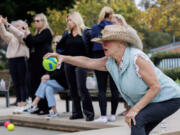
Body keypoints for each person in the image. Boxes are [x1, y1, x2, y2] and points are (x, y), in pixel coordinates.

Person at [44, 24, 180, 135]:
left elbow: (155, 87)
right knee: (139, 127)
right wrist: (64, 58)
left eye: (107, 41)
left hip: (170, 98)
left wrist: (134, 109)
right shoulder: (111, 62)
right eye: (102, 41)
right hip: (153, 101)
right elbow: (88, 62)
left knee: (137, 120)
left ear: (121, 42)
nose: (103, 44)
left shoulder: (137, 58)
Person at [56, 11, 94, 121]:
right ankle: (77, 112)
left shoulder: (86, 32)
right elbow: (60, 46)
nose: (68, 22)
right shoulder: (66, 33)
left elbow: (91, 48)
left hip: (82, 62)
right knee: (72, 89)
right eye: (67, 20)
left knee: (81, 87)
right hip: (69, 63)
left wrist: (90, 61)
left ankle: (89, 113)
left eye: (70, 20)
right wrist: (61, 56)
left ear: (76, 20)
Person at [25, 35, 68, 118]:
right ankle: (54, 111)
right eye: (54, 42)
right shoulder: (51, 56)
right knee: (48, 88)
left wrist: (49, 77)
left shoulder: (64, 56)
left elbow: (61, 73)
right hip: (54, 83)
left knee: (46, 82)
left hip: (64, 82)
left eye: (57, 42)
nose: (55, 44)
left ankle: (34, 103)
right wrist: (46, 75)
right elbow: (48, 71)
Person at [91, 7, 119, 123]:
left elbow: (92, 42)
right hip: (113, 57)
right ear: (111, 15)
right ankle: (112, 115)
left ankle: (103, 116)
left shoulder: (95, 28)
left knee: (102, 89)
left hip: (99, 59)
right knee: (114, 89)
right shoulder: (116, 28)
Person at [112, 14, 143, 116]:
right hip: (122, 63)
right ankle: (128, 108)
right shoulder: (116, 34)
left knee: (132, 86)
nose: (112, 25)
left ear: (120, 21)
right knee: (125, 86)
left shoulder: (129, 31)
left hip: (132, 62)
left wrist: (134, 58)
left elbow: (139, 45)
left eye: (113, 22)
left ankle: (134, 108)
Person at [23, 13, 53, 115]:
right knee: (33, 84)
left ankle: (44, 108)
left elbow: (34, 42)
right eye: (34, 21)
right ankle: (37, 106)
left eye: (38, 21)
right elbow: (29, 43)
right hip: (34, 62)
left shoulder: (46, 32)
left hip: (42, 62)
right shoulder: (37, 33)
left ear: (43, 21)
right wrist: (26, 34)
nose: (35, 23)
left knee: (41, 83)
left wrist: (27, 32)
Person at [0, 16, 29, 112]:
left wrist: (9, 25)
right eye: (16, 26)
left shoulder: (25, 36)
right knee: (16, 82)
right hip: (12, 60)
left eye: (19, 26)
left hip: (21, 60)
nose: (17, 27)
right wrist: (1, 24)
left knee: (22, 81)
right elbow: (4, 34)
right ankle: (18, 99)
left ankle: (23, 99)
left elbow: (19, 35)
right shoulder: (12, 37)